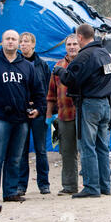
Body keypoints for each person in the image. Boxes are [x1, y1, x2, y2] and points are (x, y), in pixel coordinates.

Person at [53, 24, 111, 199]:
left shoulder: (84, 56)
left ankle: (91, 187)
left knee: (87, 146)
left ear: (80, 37)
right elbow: (110, 76)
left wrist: (60, 71)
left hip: (89, 104)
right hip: (105, 103)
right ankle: (104, 186)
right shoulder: (105, 54)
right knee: (102, 146)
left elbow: (70, 79)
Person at [0, 30, 46, 202]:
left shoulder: (27, 66)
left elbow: (38, 91)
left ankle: (10, 192)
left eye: (14, 39)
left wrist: (39, 108)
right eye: (7, 39)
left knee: (16, 158)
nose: (11, 42)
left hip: (21, 119)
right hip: (0, 118)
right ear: (2, 42)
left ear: (18, 44)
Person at [17, 32, 51, 196]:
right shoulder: (15, 64)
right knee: (21, 151)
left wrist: (41, 109)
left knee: (41, 150)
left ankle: (44, 184)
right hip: (21, 113)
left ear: (33, 45)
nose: (23, 44)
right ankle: (21, 185)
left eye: (26, 42)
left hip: (38, 113)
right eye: (21, 42)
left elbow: (46, 90)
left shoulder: (42, 65)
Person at [47, 34, 80, 196]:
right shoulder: (57, 66)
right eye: (69, 44)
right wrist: (48, 116)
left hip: (83, 114)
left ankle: (92, 184)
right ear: (65, 47)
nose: (72, 47)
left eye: (75, 44)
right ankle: (69, 185)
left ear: (80, 45)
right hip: (64, 115)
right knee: (67, 152)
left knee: (88, 150)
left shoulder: (85, 63)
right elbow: (51, 94)